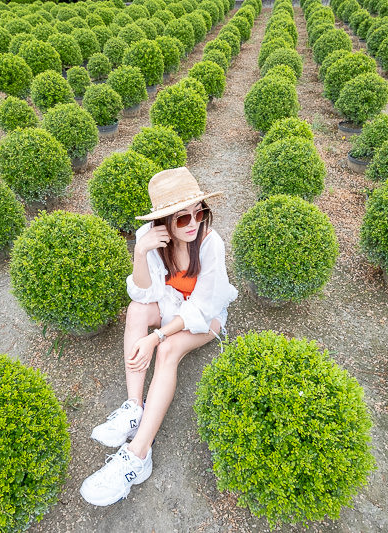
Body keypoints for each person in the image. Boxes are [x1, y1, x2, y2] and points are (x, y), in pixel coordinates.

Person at [80, 166, 238, 506]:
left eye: (200, 212)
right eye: (182, 219)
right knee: (137, 312)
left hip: (204, 316)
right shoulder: (151, 238)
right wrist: (140, 252)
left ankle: (138, 455)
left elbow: (202, 305)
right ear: (164, 221)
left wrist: (157, 336)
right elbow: (143, 293)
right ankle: (134, 407)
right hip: (169, 304)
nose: (194, 223)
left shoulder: (210, 243)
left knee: (166, 351)